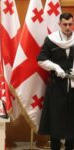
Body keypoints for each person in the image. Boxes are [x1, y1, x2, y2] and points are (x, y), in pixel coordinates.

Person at [37, 12, 74, 150]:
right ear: (59, 24)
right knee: (55, 120)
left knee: (72, 119)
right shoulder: (51, 40)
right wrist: (55, 67)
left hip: (73, 86)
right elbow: (41, 59)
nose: (68, 27)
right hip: (56, 86)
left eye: (70, 24)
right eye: (65, 24)